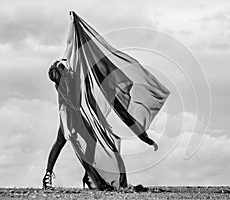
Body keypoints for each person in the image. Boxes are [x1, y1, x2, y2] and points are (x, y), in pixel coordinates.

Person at [42, 12, 159, 190]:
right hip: (68, 115)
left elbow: (70, 43)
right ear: (60, 72)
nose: (63, 64)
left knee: (88, 142)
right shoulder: (63, 75)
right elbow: (70, 46)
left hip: (78, 113)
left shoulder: (66, 69)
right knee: (67, 142)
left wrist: (73, 23)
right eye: (61, 66)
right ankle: (56, 176)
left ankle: (87, 177)